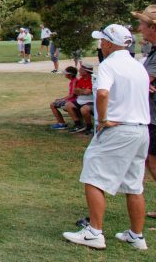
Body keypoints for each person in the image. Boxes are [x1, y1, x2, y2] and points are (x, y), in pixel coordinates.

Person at [62, 24, 150, 250]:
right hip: (141, 130)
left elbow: (102, 93)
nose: (100, 44)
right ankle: (136, 236)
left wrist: (102, 119)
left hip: (117, 128)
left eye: (102, 40)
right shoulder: (138, 66)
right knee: (134, 184)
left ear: (110, 43)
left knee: (93, 176)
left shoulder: (109, 65)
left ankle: (94, 232)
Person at [131, 5, 156, 219]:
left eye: (142, 24)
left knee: (153, 161)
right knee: (150, 160)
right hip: (150, 114)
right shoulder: (152, 51)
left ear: (153, 28)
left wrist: (141, 83)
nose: (139, 27)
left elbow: (144, 82)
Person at [65, 62, 95, 135]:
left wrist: (81, 91)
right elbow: (75, 91)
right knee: (68, 105)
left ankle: (89, 126)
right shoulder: (81, 79)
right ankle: (78, 124)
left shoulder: (92, 80)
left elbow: (88, 92)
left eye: (81, 69)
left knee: (84, 109)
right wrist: (83, 91)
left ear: (86, 71)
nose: (79, 70)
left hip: (91, 101)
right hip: (80, 100)